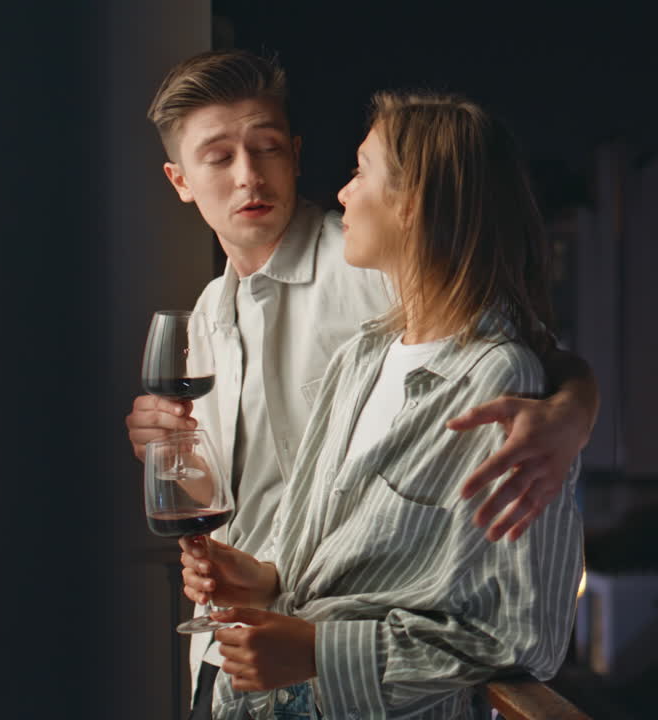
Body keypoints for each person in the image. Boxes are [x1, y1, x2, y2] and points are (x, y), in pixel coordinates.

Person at [123, 50, 597, 717]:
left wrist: (574, 413)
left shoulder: (372, 269)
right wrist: (170, 452)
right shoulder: (210, 315)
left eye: (266, 148)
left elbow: (525, 355)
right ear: (180, 179)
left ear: (294, 152)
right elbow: (266, 491)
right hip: (235, 654)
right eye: (218, 158)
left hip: (343, 684)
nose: (249, 176)